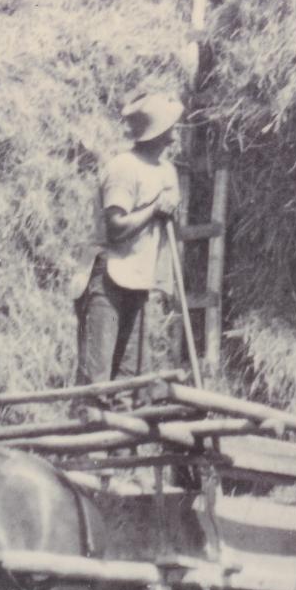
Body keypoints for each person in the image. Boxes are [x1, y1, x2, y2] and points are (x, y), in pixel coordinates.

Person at [71, 92, 184, 393]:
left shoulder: (166, 171)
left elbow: (168, 225)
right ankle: (89, 434)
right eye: (171, 123)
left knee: (129, 381)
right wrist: (154, 209)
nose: (176, 129)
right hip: (107, 278)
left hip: (138, 279)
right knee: (96, 380)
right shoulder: (124, 167)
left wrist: (169, 209)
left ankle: (122, 440)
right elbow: (116, 229)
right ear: (160, 130)